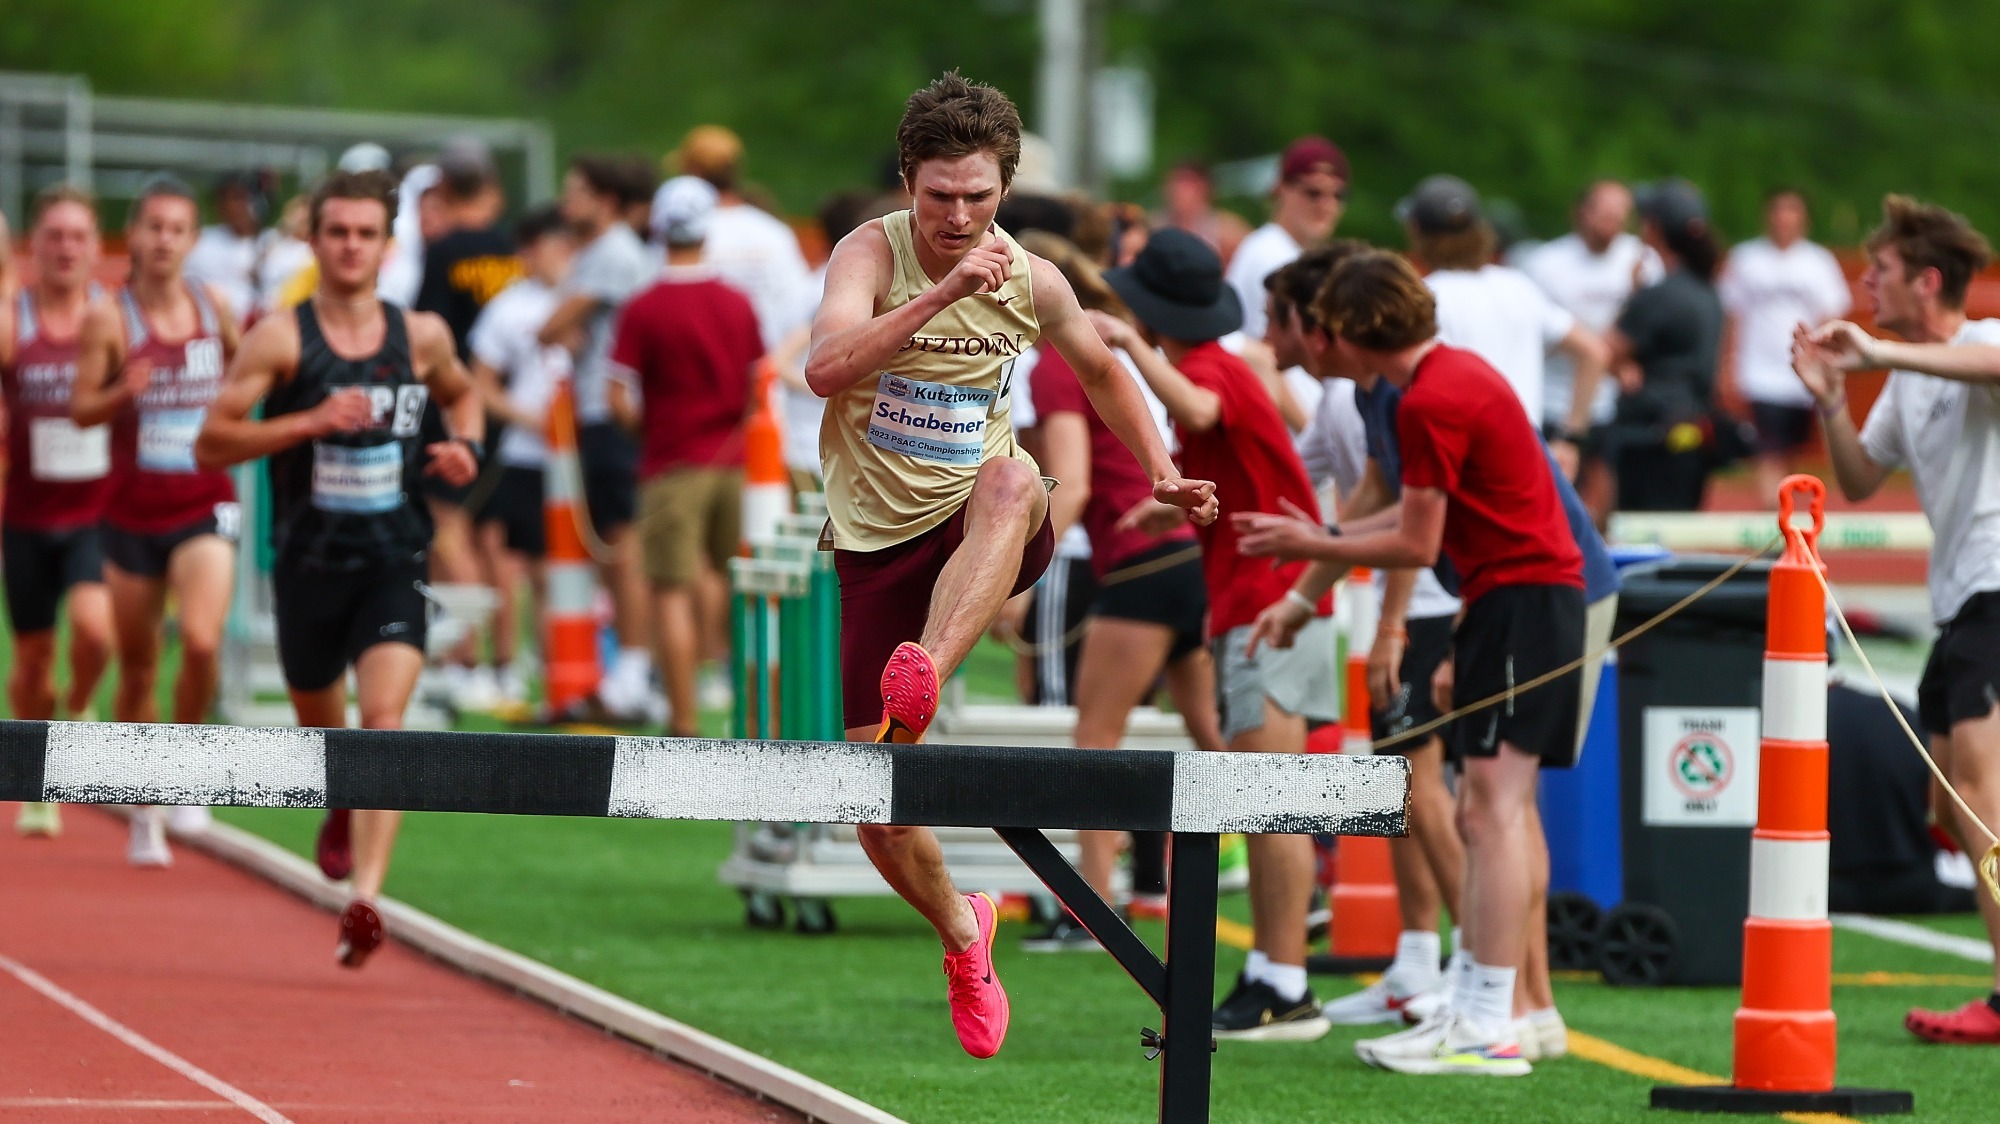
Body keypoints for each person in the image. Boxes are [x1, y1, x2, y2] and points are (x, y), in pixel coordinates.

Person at [803, 72, 1215, 1058]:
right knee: (879, 811)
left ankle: (926, 670)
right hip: (878, 543)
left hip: (984, 525)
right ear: (908, 178)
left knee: (1011, 478)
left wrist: (1161, 470)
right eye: (939, 195)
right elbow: (823, 369)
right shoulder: (870, 253)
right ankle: (964, 932)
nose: (958, 216)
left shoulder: (1033, 277)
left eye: (977, 197)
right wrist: (944, 292)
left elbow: (1103, 368)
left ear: (1006, 188)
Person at [1238, 249, 1586, 1076]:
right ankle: (1487, 1010)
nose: (1320, 342)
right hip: (1508, 602)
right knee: (1487, 811)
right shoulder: (1442, 380)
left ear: (1355, 331)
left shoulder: (1431, 397)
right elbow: (1432, 523)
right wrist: (1327, 543)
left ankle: (1489, 1020)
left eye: (1329, 326)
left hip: (1525, 601)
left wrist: (1313, 542)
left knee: (1492, 813)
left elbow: (1417, 542)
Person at [194, 168, 483, 969]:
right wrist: (307, 422)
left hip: (395, 557)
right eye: (338, 232)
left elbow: (465, 395)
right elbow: (211, 443)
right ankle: (340, 800)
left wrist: (466, 445)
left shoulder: (420, 335)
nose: (352, 247)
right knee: (326, 738)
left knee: (384, 723)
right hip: (309, 565)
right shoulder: (281, 338)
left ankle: (368, 897)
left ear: (387, 246)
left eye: (366, 234)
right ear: (314, 241)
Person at [1090, 228, 1339, 1039]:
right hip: (1261, 602)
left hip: (1272, 603)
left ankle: (1284, 981)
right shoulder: (1212, 365)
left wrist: (1128, 346)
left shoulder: (1208, 368)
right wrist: (1161, 507)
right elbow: (1219, 466)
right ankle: (1273, 971)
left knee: (1271, 798)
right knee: (1265, 796)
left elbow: (1200, 408)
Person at [1791, 192, 2000, 1044]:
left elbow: (1988, 367)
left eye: (1879, 270)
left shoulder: (1983, 338)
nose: (1866, 284)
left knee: (1982, 798)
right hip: (1958, 603)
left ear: (1927, 281)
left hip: (1994, 586)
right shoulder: (1909, 377)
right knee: (1951, 805)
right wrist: (1831, 397)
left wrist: (1877, 351)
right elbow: (1857, 480)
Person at [1258, 243, 1471, 1032]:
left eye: (1275, 319)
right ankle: (1418, 959)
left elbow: (1413, 522)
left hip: (1428, 605)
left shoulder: (1376, 397)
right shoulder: (1348, 399)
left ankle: (1475, 970)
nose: (1267, 337)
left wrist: (1388, 625)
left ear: (1316, 327)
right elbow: (1311, 486)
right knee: (1399, 790)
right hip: (1406, 600)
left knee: (1429, 790)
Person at [1016, 232, 1221, 951]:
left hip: (1139, 564)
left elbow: (1073, 482)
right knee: (1215, 738)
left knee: (1095, 738)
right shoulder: (1107, 348)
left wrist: (1014, 573)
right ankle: (1294, 867)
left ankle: (1092, 910)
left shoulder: (1055, 362)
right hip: (1185, 556)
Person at [71, 175, 242, 867]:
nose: (164, 240)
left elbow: (246, 372)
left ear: (192, 239)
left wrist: (229, 408)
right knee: (139, 667)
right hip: (132, 511)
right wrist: (122, 391)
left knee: (200, 640)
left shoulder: (214, 305)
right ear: (134, 235)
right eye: (154, 227)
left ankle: (187, 773)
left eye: (177, 229)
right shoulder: (108, 318)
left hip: (204, 502)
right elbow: (81, 409)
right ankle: (144, 807)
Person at [608, 177, 763, 737]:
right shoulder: (736, 302)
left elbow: (618, 397)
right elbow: (758, 387)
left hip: (672, 462)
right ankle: (754, 717)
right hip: (736, 464)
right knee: (743, 587)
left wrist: (650, 429)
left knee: (670, 589)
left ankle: (683, 721)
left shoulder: (644, 306)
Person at [1, 186, 115, 840]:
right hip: (26, 518)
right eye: (54, 235)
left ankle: (79, 707)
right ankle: (38, 786)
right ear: (34, 246)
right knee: (33, 662)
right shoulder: (13, 320)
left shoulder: (112, 320)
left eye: (77, 236)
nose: (66, 248)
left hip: (96, 514)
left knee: (95, 633)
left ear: (95, 248)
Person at [537, 156, 658, 723]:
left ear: (605, 200)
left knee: (622, 543)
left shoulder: (613, 252)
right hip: (597, 414)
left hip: (611, 414)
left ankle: (634, 671)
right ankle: (627, 668)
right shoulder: (601, 252)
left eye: (577, 191)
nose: (567, 201)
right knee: (613, 544)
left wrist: (563, 328)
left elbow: (550, 326)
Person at [1399, 175, 1609, 480]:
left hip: (1465, 464)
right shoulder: (1516, 286)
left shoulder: (1426, 298)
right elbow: (1594, 351)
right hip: (1528, 458)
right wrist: (1571, 439)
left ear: (1416, 230)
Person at [415, 138, 526, 711]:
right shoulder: (512, 249)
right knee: (495, 544)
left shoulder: (444, 249)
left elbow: (428, 331)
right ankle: (506, 664)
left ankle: (466, 660)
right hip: (508, 408)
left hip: (455, 405)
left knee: (447, 531)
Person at [469, 206, 575, 705]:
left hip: (575, 458)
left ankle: (563, 672)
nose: (560, 257)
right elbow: (481, 384)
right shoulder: (509, 307)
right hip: (524, 455)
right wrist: (528, 418)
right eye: (551, 247)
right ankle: (505, 664)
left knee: (561, 572)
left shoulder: (586, 298)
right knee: (508, 565)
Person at [1521, 179, 1661, 516]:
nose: (1612, 223)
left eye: (1620, 215)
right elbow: (1540, 333)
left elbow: (1653, 327)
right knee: (1557, 489)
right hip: (1556, 396)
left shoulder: (1642, 260)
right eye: (1605, 214)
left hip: (1614, 397)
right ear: (1582, 213)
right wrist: (1607, 356)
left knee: (1607, 488)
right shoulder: (1545, 263)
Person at [1718, 189, 1852, 506]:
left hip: (1801, 372)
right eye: (1778, 211)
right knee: (1769, 449)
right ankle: (1772, 512)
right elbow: (1733, 315)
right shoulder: (1746, 259)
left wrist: (1823, 359)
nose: (1784, 219)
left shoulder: (1818, 262)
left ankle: (1784, 511)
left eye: (1792, 211)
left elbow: (1831, 314)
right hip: (1758, 372)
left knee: (1790, 449)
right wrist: (1727, 365)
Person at [1604, 180, 1726, 512]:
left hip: (1650, 436)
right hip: (1693, 430)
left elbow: (1606, 350)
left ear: (1655, 228)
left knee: (1639, 532)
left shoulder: (1659, 296)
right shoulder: (1707, 290)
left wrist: (1633, 296)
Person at [1224, 136, 1348, 342]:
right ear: (1282, 189)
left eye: (1338, 195)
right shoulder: (1269, 255)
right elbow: (1270, 348)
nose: (1326, 205)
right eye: (1314, 193)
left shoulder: (1289, 252)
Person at [180, 172, 267, 327]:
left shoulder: (272, 243)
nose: (240, 206)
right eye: (233, 199)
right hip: (209, 326)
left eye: (245, 198)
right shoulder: (201, 242)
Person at [1157, 161, 1250, 265]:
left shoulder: (1229, 231)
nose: (1180, 191)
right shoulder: (1155, 229)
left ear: (1205, 188)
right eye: (1177, 183)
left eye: (1188, 184)